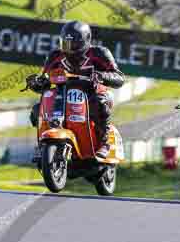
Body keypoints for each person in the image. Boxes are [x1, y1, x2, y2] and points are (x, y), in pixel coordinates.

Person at [28, 21, 125, 158]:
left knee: (99, 104)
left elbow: (119, 78)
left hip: (93, 92)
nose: (69, 48)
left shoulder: (99, 53)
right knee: (38, 109)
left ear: (86, 40)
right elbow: (45, 80)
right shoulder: (55, 55)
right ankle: (42, 146)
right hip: (62, 94)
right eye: (66, 43)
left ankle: (105, 143)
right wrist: (36, 82)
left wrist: (102, 76)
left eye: (74, 43)